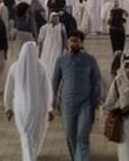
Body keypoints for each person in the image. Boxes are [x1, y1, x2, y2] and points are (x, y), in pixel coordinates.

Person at [51, 29, 103, 161]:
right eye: (71, 41)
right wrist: (52, 101)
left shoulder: (90, 60)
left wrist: (95, 100)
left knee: (82, 137)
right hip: (67, 104)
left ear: (81, 43)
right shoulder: (61, 60)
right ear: (67, 43)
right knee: (70, 135)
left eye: (77, 41)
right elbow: (55, 82)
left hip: (86, 104)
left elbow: (97, 81)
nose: (74, 44)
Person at [5, 41, 52, 161]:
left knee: (25, 134)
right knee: (35, 134)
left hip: (20, 107)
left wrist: (8, 107)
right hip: (38, 108)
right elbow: (47, 90)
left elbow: (8, 89)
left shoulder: (14, 67)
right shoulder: (41, 67)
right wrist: (49, 108)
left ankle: (30, 155)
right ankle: (30, 156)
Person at [38, 10, 67, 85]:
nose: (55, 19)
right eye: (54, 17)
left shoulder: (61, 26)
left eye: (57, 17)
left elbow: (64, 38)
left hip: (57, 50)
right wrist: (39, 53)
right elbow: (40, 41)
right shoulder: (44, 28)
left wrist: (65, 48)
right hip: (46, 51)